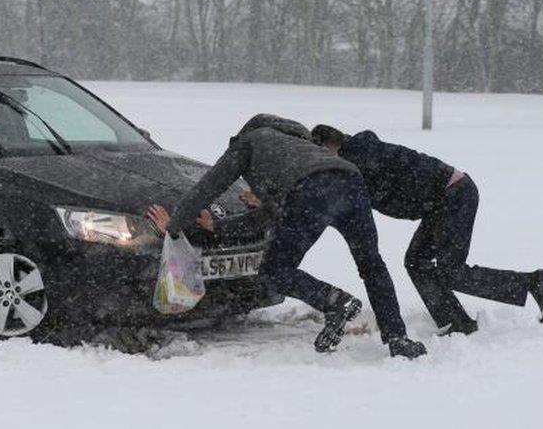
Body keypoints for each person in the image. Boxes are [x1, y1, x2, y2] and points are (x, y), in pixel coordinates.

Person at [146, 114, 427, 359]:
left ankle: (333, 301)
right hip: (352, 183)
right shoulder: (302, 146)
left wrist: (174, 224)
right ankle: (397, 338)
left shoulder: (249, 142)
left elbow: (207, 187)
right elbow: (272, 214)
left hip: (309, 192)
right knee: (371, 264)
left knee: (274, 271)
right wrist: (218, 228)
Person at [310, 125, 543, 334]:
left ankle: (533, 282)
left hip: (454, 194)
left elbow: (360, 198)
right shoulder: (358, 158)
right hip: (441, 201)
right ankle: (456, 322)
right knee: (416, 261)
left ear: (330, 145)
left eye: (322, 155)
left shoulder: (359, 158)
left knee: (452, 271)